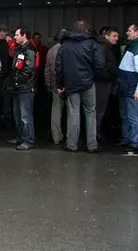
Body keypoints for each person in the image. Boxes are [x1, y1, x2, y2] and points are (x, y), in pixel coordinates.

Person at [56, 21, 104, 153]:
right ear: (86, 30)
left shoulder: (64, 45)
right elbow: (100, 64)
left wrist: (60, 84)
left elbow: (59, 67)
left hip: (71, 83)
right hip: (88, 83)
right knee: (90, 113)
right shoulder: (92, 44)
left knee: (73, 113)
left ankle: (72, 144)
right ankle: (92, 145)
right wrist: (93, 76)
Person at [116, 23, 138, 155]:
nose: (127, 33)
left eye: (129, 30)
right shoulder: (133, 46)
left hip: (131, 87)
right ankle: (127, 139)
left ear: (137, 32)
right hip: (125, 87)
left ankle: (135, 142)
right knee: (125, 115)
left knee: (133, 116)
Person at [10, 27, 37, 150]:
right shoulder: (19, 49)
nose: (14, 37)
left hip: (25, 87)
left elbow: (28, 70)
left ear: (24, 35)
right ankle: (20, 137)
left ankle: (28, 140)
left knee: (26, 116)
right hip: (17, 87)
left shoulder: (30, 50)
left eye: (16, 35)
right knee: (18, 115)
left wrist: (17, 80)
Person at [95, 28, 120, 139]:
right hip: (102, 83)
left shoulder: (106, 47)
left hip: (103, 82)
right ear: (106, 36)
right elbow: (100, 67)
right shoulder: (103, 48)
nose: (117, 38)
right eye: (114, 36)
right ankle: (95, 134)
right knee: (99, 110)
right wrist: (109, 76)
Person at [44, 30, 66, 145]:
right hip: (69, 85)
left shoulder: (51, 50)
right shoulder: (68, 49)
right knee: (73, 111)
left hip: (54, 85)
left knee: (56, 111)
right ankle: (72, 137)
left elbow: (47, 69)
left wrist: (48, 84)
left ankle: (56, 136)